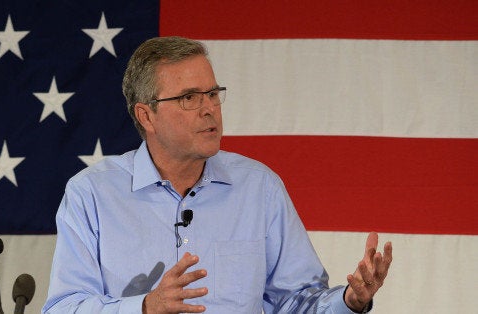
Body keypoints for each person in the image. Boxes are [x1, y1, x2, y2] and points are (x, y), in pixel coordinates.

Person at [42, 36, 392, 313]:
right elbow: (64, 307)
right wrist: (145, 307)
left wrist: (349, 301)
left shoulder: (259, 188)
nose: (209, 108)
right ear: (146, 116)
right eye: (190, 97)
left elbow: (296, 301)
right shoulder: (91, 194)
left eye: (212, 93)